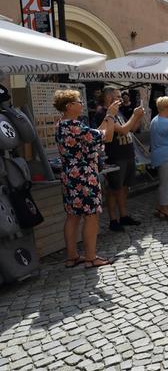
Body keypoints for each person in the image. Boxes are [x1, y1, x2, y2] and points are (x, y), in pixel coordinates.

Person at [54, 90, 119, 268]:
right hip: (84, 175)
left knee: (72, 216)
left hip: (69, 175)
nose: (82, 103)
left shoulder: (60, 125)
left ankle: (72, 256)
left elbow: (96, 133)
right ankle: (91, 257)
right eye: (78, 101)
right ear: (69, 106)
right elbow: (107, 135)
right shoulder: (75, 125)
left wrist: (107, 117)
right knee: (91, 216)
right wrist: (111, 116)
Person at [93, 87, 144, 232]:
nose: (120, 99)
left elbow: (131, 128)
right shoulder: (103, 113)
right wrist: (134, 115)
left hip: (127, 153)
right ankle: (113, 220)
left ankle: (123, 215)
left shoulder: (118, 111)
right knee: (114, 189)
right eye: (117, 96)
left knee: (124, 187)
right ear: (108, 97)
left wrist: (138, 117)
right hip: (115, 155)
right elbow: (122, 130)